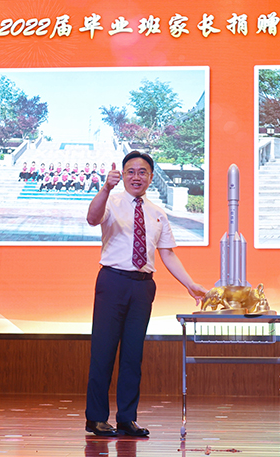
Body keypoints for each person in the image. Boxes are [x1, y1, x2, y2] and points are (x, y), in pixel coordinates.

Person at [85, 150, 207, 437]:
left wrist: (190, 284)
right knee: (103, 351)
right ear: (122, 175)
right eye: (130, 171)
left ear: (151, 177)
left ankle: (127, 418)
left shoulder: (157, 213)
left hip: (143, 286)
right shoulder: (111, 201)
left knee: (133, 355)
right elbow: (92, 218)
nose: (136, 177)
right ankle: (96, 418)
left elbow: (168, 254)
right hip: (113, 281)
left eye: (142, 172)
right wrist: (105, 188)